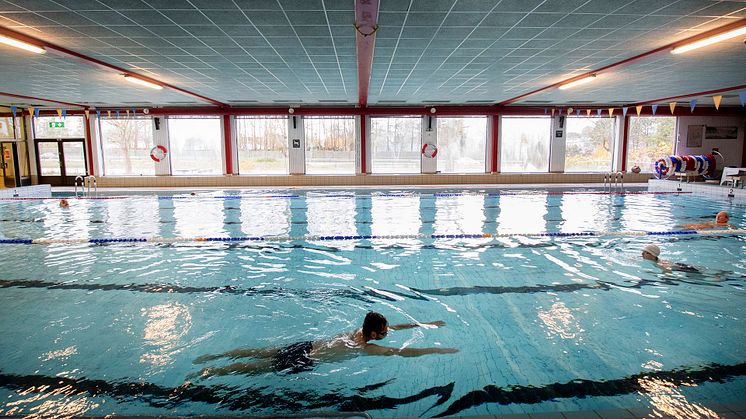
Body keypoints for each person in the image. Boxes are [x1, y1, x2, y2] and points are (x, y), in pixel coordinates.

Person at [191, 311, 457, 378]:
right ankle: (212, 373)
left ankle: (214, 357)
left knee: (261, 353)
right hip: (305, 360)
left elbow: (396, 328)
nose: (389, 333)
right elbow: (404, 353)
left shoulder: (359, 331)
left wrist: (423, 324)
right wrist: (437, 349)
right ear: (374, 335)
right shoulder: (366, 347)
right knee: (257, 368)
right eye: (384, 332)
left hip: (307, 345)